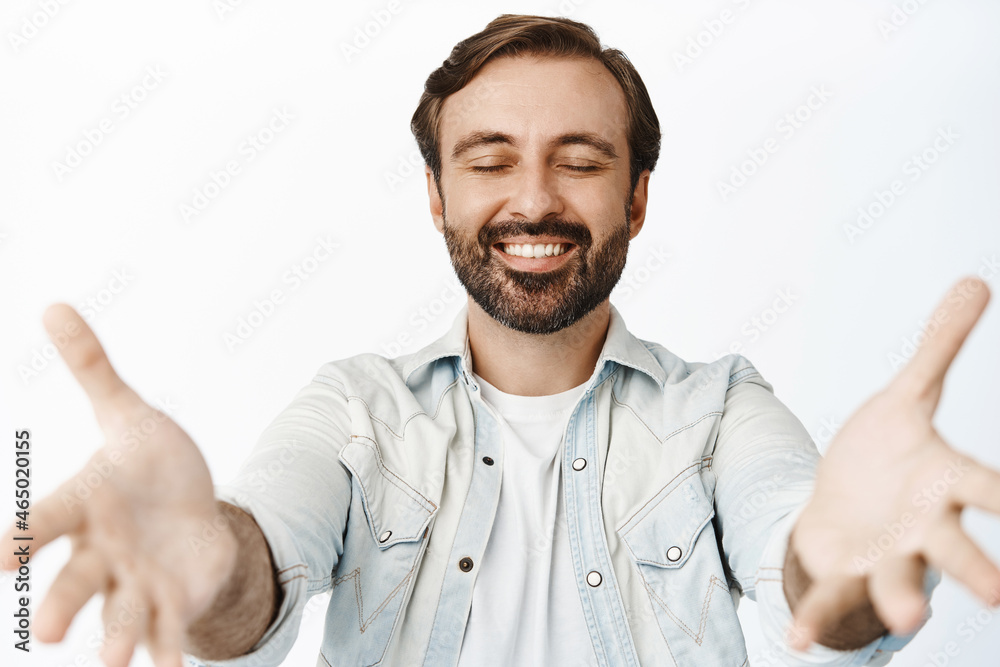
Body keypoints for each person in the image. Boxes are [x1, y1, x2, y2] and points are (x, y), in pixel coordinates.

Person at [4, 13, 998, 667]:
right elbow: (257, 567)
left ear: (637, 198)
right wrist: (204, 561)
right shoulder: (355, 408)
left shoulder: (722, 409)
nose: (532, 200)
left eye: (578, 162)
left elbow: (807, 553)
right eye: (489, 162)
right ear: (436, 196)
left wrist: (853, 564)